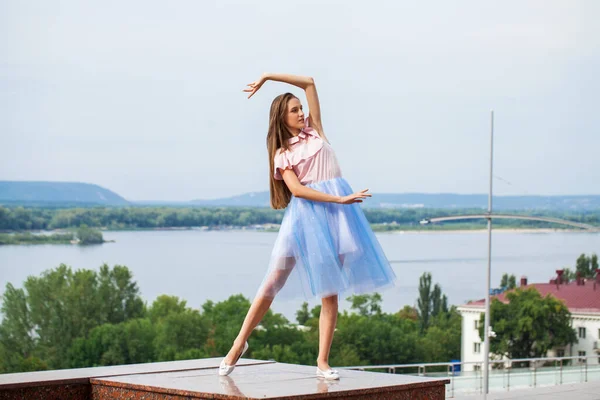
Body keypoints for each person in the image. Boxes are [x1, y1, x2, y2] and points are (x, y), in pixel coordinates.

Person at [219, 73, 397, 380]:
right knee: (272, 281)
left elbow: (311, 82)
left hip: (337, 219)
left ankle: (322, 362)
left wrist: (268, 76)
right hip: (306, 217)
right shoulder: (282, 154)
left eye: (302, 108)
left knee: (330, 292)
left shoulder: (317, 132)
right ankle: (239, 343)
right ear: (281, 118)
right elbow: (298, 191)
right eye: (294, 110)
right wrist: (338, 200)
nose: (301, 113)